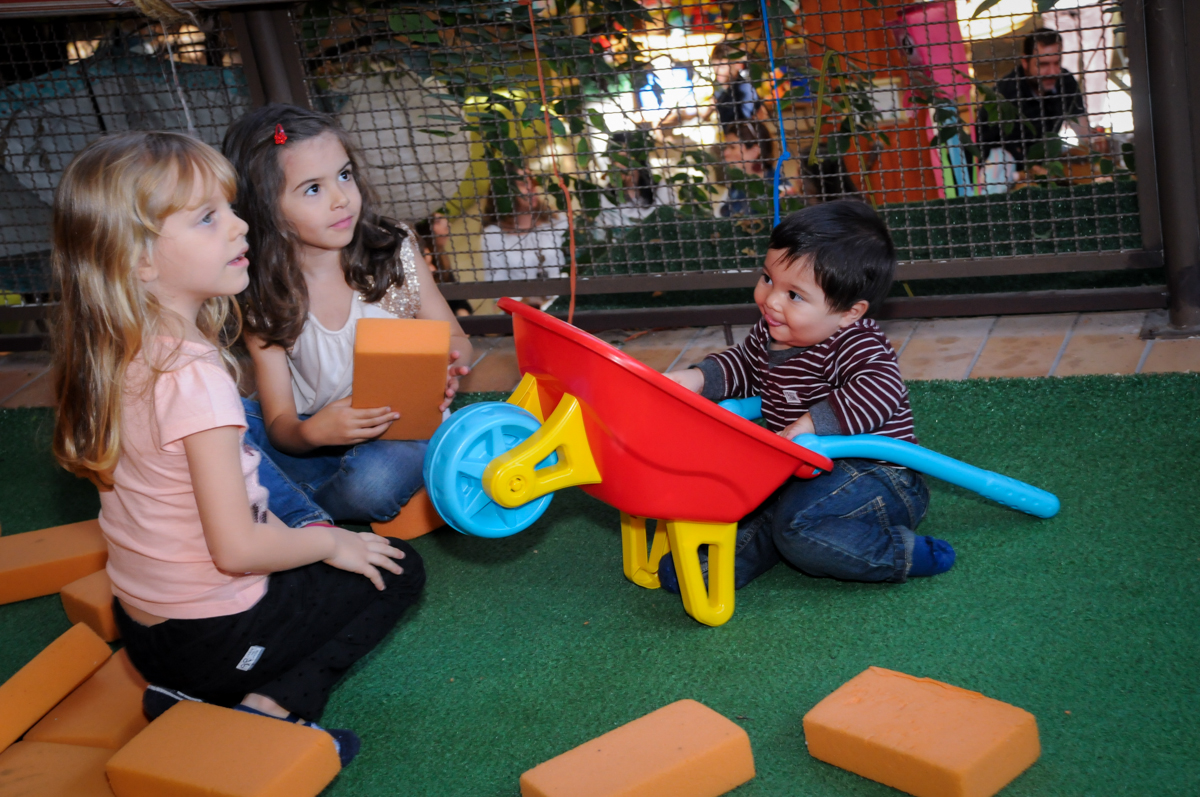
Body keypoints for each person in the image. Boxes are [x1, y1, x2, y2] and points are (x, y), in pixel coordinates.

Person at [49, 131, 425, 767]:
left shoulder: (115, 353)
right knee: (396, 571)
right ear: (140, 260)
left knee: (309, 543)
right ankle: (271, 709)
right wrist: (332, 544)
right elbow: (238, 550)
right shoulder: (195, 380)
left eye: (229, 207)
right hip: (213, 639)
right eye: (207, 218)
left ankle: (186, 695)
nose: (239, 225)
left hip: (144, 631)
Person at [662, 201, 954, 589]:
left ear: (849, 312)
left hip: (878, 477)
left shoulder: (857, 342)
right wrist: (697, 377)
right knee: (754, 514)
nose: (771, 300)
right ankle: (716, 566)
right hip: (802, 473)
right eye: (768, 278)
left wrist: (812, 423)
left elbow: (879, 389)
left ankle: (901, 553)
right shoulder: (771, 330)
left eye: (794, 295)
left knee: (798, 526)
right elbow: (744, 366)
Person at [222, 104, 472, 527]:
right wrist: (312, 432)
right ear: (266, 208)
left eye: (344, 175)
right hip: (311, 439)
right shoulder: (263, 291)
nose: (341, 199)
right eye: (313, 189)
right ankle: (299, 504)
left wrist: (447, 367)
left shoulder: (392, 250)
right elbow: (281, 423)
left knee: (374, 482)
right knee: (225, 421)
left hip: (399, 431)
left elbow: (457, 339)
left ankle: (287, 508)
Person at [977, 27, 1108, 192]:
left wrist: (1095, 142)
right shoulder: (1006, 93)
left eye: (1057, 63)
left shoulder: (1066, 82)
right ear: (1025, 62)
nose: (1052, 72)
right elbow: (994, 149)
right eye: (1043, 64)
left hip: (1044, 169)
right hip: (1003, 177)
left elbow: (1082, 129)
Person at [478, 165, 567, 309]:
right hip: (526, 312)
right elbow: (497, 287)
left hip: (563, 303)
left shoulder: (557, 221)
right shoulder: (493, 235)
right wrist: (524, 302)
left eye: (532, 181)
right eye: (523, 183)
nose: (531, 187)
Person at [595, 130, 674, 238]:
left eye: (625, 157)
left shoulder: (662, 189)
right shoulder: (605, 196)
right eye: (616, 159)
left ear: (638, 159)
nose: (620, 164)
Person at [719, 120, 775, 217]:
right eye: (726, 147)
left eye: (732, 147)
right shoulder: (736, 186)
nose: (725, 153)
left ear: (754, 151)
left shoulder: (779, 190)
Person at [709, 41, 760, 128]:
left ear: (738, 65)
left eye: (722, 66)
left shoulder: (745, 88)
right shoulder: (718, 85)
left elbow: (747, 119)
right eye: (714, 65)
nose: (717, 71)